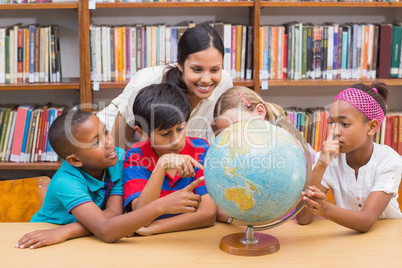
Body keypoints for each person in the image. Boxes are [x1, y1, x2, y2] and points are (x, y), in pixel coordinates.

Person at [16, 110, 203, 249]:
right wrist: (161, 205)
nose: (109, 143)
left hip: (84, 238)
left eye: (105, 132)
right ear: (75, 160)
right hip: (48, 237)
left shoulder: (119, 159)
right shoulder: (65, 182)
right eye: (96, 142)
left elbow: (114, 214)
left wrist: (70, 231)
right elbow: (107, 230)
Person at [97, 23, 233, 149]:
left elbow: (220, 138)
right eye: (197, 69)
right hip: (109, 146)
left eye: (215, 69)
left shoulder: (224, 83)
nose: (206, 79)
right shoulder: (146, 83)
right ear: (180, 64)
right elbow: (118, 145)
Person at [296, 82, 402, 232]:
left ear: (371, 127)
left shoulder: (389, 161)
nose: (336, 131)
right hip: (348, 240)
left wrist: (325, 209)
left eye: (344, 124)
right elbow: (303, 218)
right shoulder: (328, 159)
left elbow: (366, 221)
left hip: (387, 238)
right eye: (333, 123)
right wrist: (321, 165)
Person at [212, 86, 317, 223]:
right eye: (226, 132)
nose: (234, 134)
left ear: (260, 112)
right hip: (249, 230)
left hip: (290, 230)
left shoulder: (297, 152)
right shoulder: (231, 157)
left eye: (238, 125)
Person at [123, 83, 217, 236]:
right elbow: (140, 217)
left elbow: (207, 214)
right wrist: (161, 165)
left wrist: (153, 228)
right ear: (141, 133)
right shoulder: (136, 157)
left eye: (180, 129)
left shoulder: (201, 149)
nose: (176, 141)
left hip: (190, 240)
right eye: (165, 134)